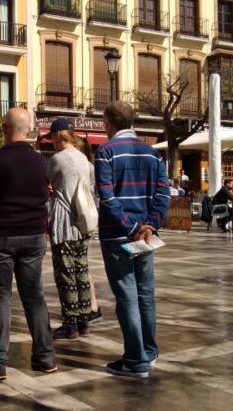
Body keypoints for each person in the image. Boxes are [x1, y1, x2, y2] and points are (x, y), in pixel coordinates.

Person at [0, 108, 56, 381]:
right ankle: (45, 358)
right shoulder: (43, 162)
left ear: (4, 129)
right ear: (29, 130)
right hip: (33, 236)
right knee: (35, 296)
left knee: (0, 298)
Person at [95, 101, 170, 379]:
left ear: (109, 124)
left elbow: (107, 196)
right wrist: (149, 225)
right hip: (146, 237)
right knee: (145, 294)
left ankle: (136, 360)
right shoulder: (152, 153)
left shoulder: (105, 151)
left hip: (118, 235)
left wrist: (133, 225)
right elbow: (164, 195)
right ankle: (149, 351)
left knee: (126, 296)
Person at [46, 118, 94, 340]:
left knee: (65, 274)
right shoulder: (84, 159)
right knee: (81, 272)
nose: (51, 142)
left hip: (64, 222)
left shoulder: (58, 159)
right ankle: (84, 321)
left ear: (58, 135)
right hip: (83, 222)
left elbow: (49, 183)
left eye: (52, 137)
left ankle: (70, 324)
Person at [76, 137, 103, 324]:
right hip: (85, 220)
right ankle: (88, 305)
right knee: (81, 264)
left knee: (82, 265)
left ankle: (91, 306)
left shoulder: (85, 168)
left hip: (82, 221)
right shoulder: (88, 167)